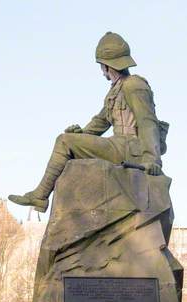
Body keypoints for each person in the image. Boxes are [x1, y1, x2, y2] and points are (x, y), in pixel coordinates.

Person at [9, 32, 166, 213]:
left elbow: (147, 122)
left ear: (107, 66)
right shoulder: (116, 90)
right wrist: (79, 133)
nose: (101, 71)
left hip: (130, 149)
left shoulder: (134, 85)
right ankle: (41, 196)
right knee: (67, 139)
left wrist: (151, 159)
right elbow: (100, 122)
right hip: (119, 145)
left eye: (102, 66)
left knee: (64, 141)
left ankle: (40, 196)